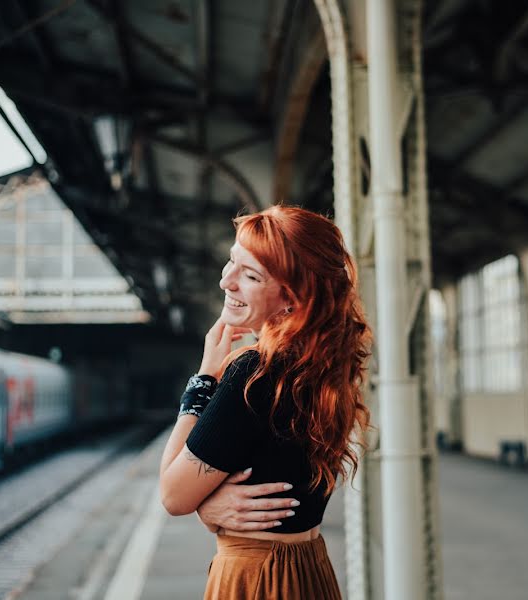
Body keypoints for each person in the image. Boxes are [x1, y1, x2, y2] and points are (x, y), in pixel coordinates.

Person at [159, 205, 371, 599]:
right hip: (309, 569)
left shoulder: (255, 373)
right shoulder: (324, 369)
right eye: (232, 261)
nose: (227, 281)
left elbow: (173, 494)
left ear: (291, 300)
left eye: (250, 275)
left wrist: (203, 380)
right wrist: (210, 510)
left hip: (255, 576)